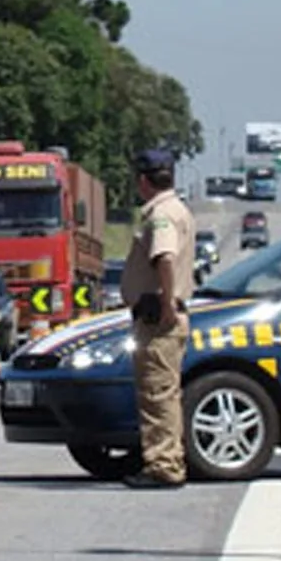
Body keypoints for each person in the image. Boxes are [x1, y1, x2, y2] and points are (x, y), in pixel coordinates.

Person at [118, 148, 196, 489]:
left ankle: (164, 465)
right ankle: (167, 459)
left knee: (158, 395)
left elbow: (164, 258)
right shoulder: (176, 209)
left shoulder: (161, 215)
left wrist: (165, 305)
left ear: (142, 181)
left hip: (158, 318)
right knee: (164, 393)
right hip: (163, 315)